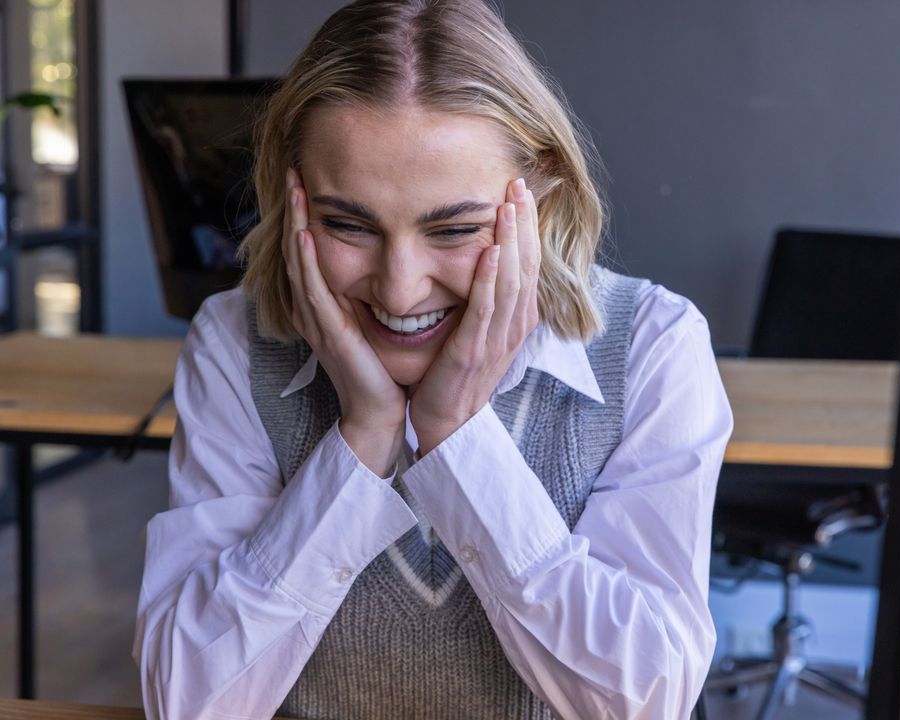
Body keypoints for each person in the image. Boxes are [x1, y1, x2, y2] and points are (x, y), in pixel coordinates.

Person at [133, 1, 732, 718]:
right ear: (289, 195)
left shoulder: (651, 346)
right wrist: (361, 438)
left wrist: (458, 437)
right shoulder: (235, 341)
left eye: (454, 229)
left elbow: (645, 700)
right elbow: (187, 702)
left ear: (541, 191)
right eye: (347, 224)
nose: (399, 286)